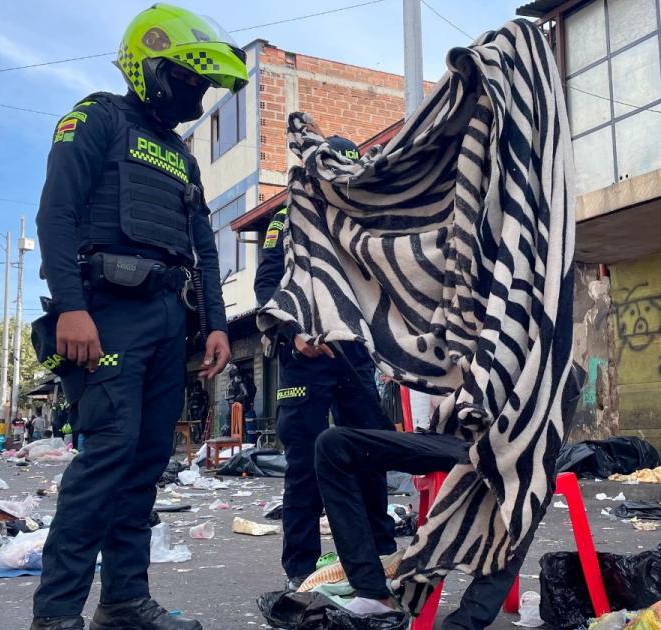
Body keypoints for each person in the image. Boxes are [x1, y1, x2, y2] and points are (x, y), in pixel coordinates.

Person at [30, 4, 243, 629]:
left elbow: (202, 246)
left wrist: (216, 323)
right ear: (151, 67)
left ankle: (123, 602)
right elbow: (56, 214)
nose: (198, 94)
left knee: (147, 463)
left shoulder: (181, 155)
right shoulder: (97, 118)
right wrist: (71, 305)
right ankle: (57, 616)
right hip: (105, 315)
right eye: (190, 79)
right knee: (107, 458)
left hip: (168, 322)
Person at [311, 369, 586, 627]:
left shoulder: (545, 339)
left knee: (532, 479)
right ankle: (372, 594)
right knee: (332, 444)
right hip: (453, 440)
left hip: (516, 446)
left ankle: (466, 622)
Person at [253, 134, 396, 592]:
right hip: (304, 355)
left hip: (356, 355)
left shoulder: (362, 219)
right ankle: (301, 568)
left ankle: (381, 552)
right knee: (306, 464)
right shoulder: (288, 216)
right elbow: (268, 283)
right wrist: (293, 333)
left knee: (372, 453)